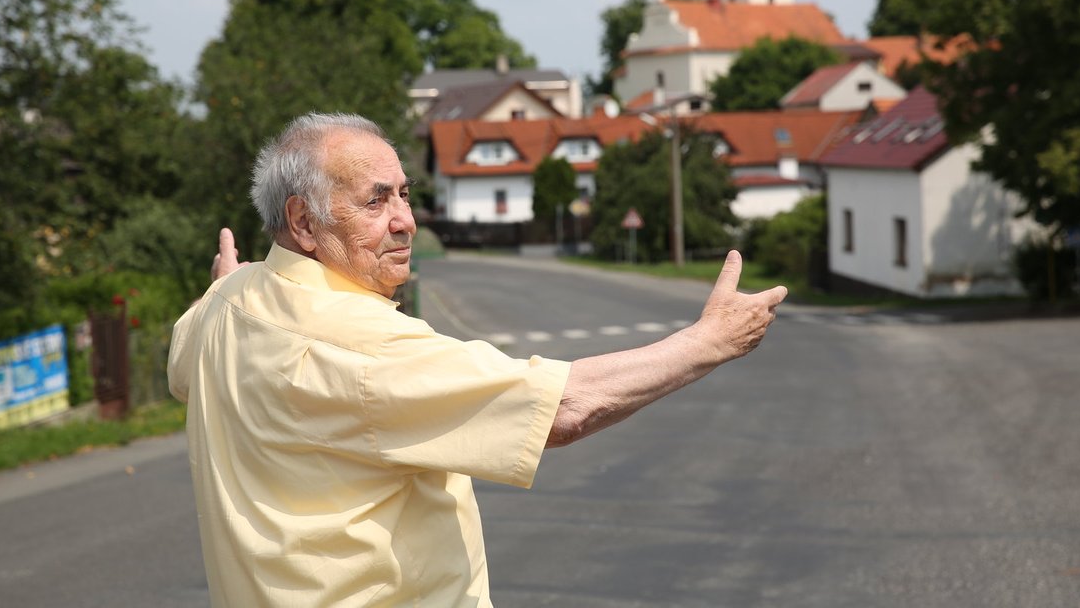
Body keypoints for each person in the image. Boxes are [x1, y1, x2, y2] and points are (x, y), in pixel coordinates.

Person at [168, 112, 787, 607]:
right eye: (375, 201)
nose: (405, 221)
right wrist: (711, 342)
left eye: (405, 194)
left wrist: (224, 285)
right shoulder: (364, 343)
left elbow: (181, 370)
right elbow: (564, 408)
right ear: (303, 222)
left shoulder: (227, 305)